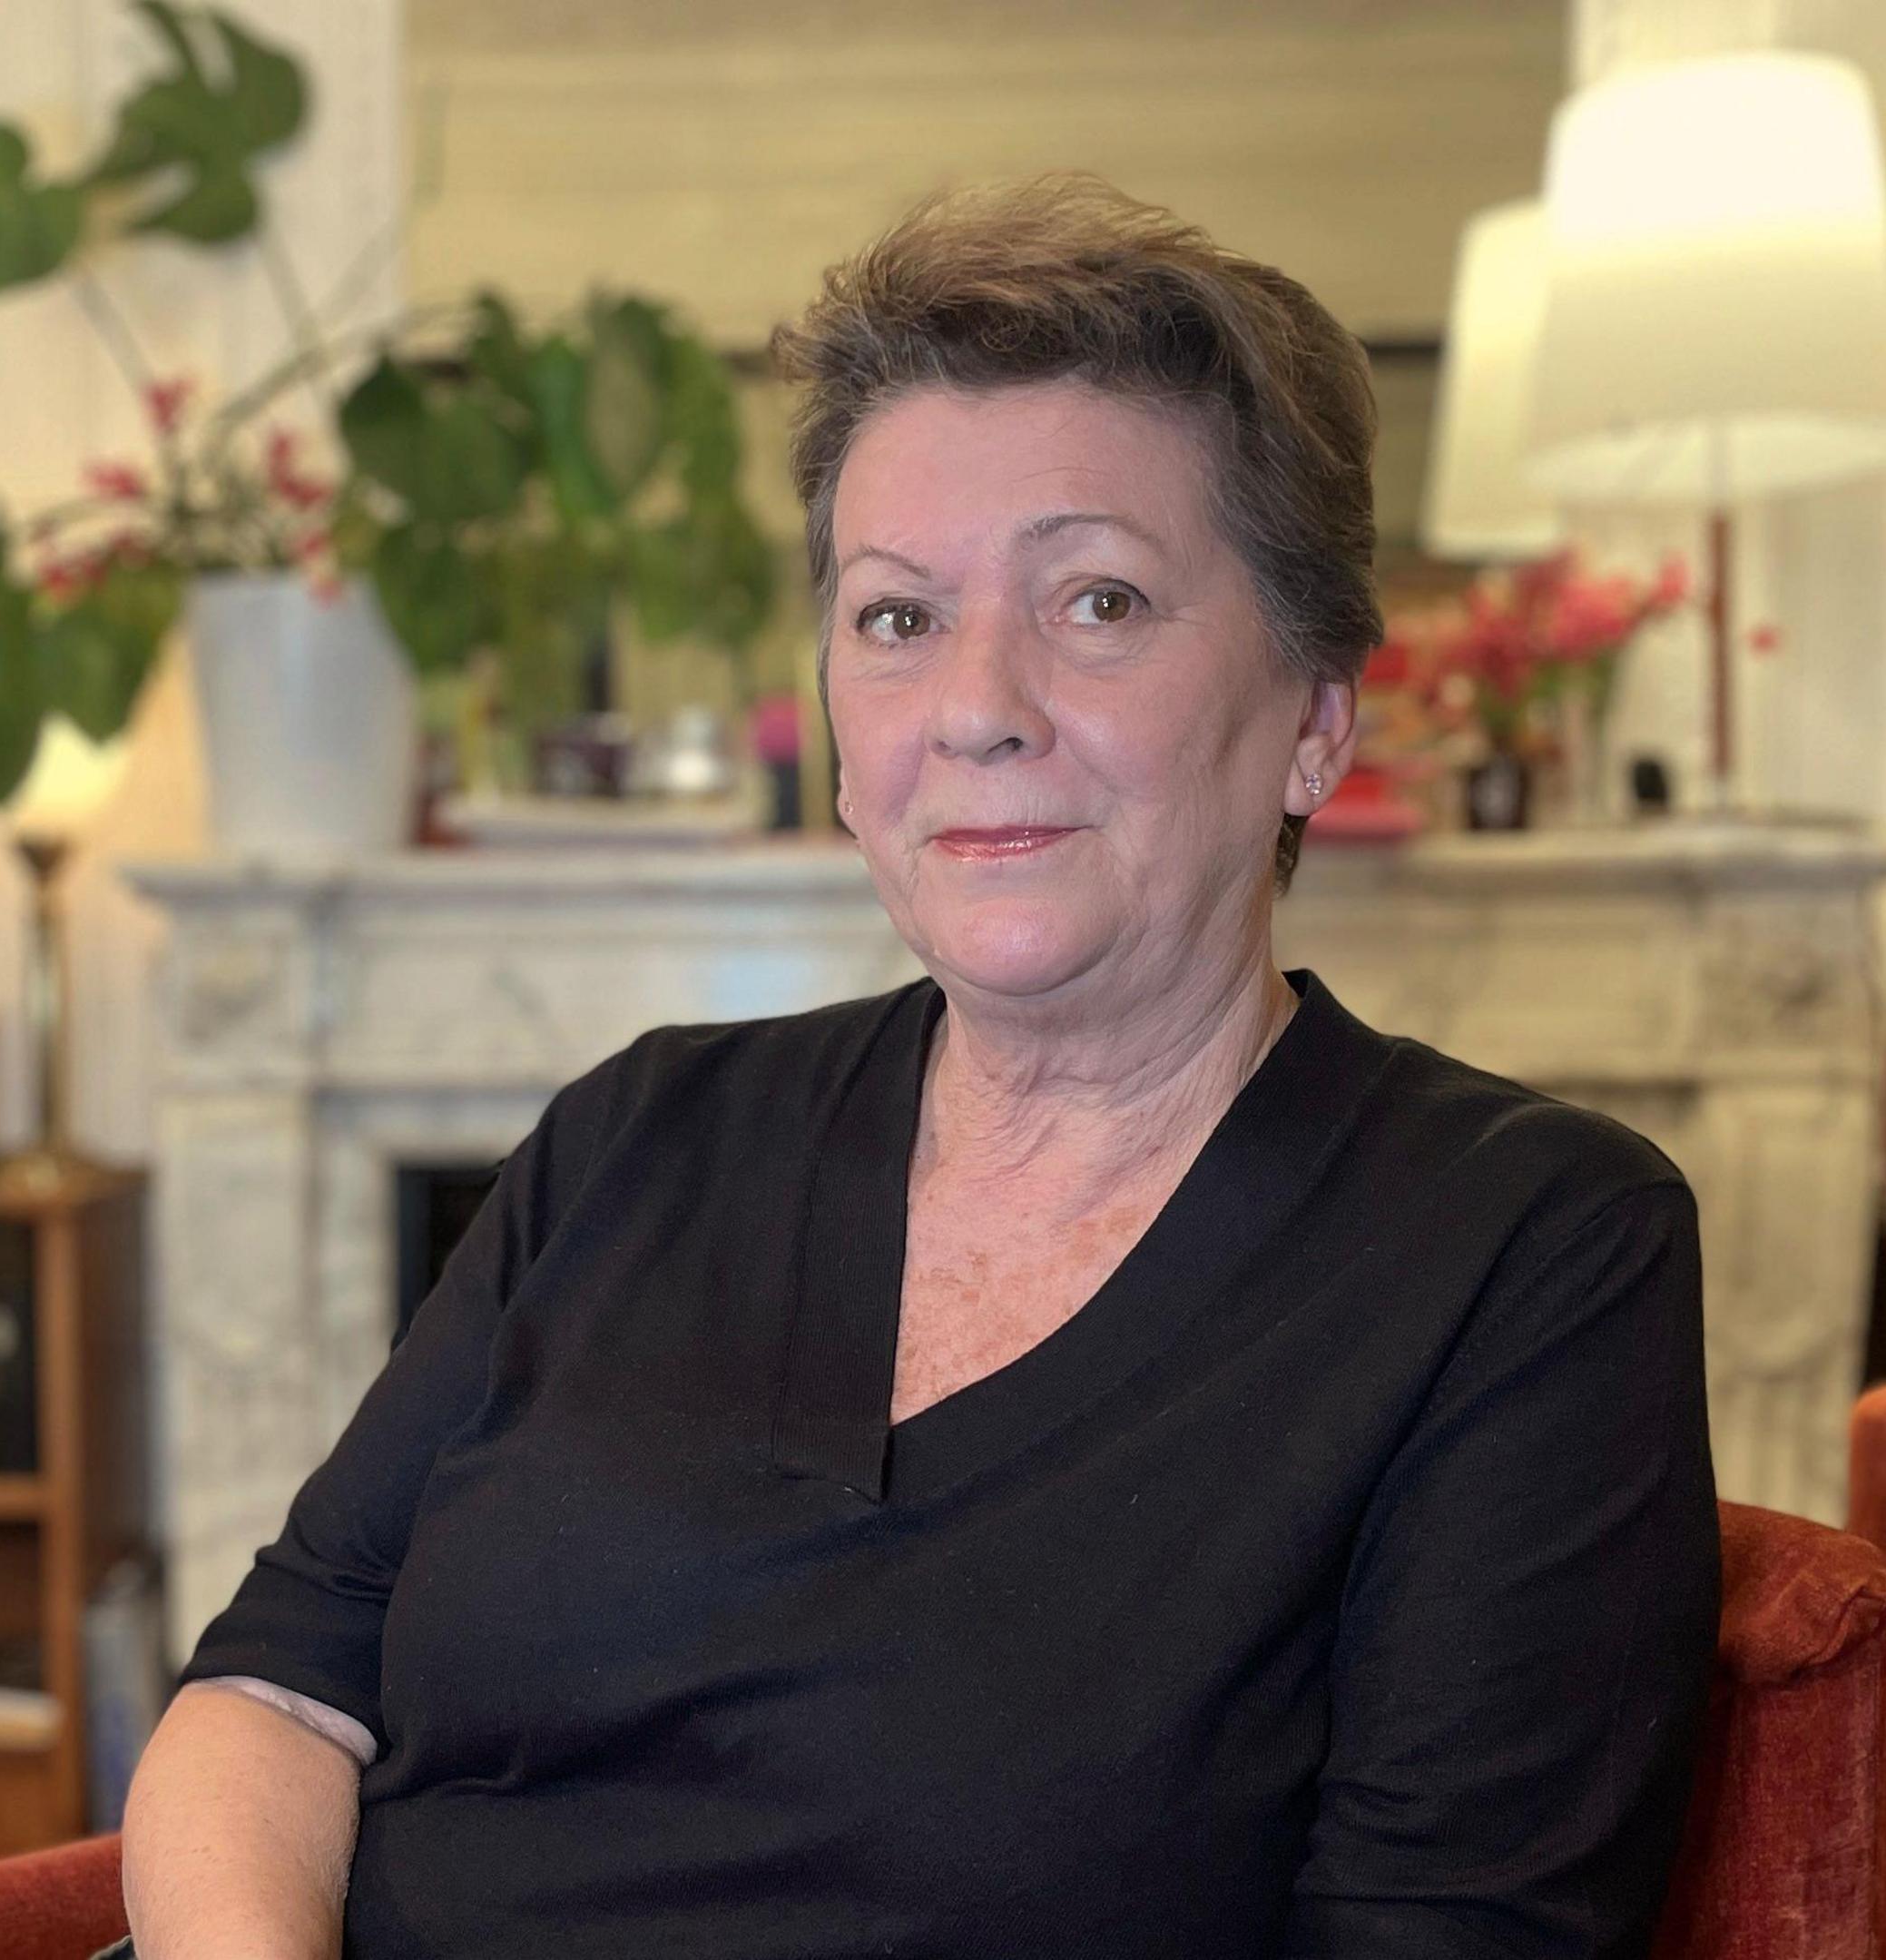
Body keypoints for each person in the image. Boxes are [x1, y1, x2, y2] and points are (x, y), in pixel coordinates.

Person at [122, 176, 1719, 1960]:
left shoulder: (1520, 1252)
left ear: (1316, 721)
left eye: (1098, 601)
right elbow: (276, 1694)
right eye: (896, 616)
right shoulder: (641, 1133)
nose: (977, 702)